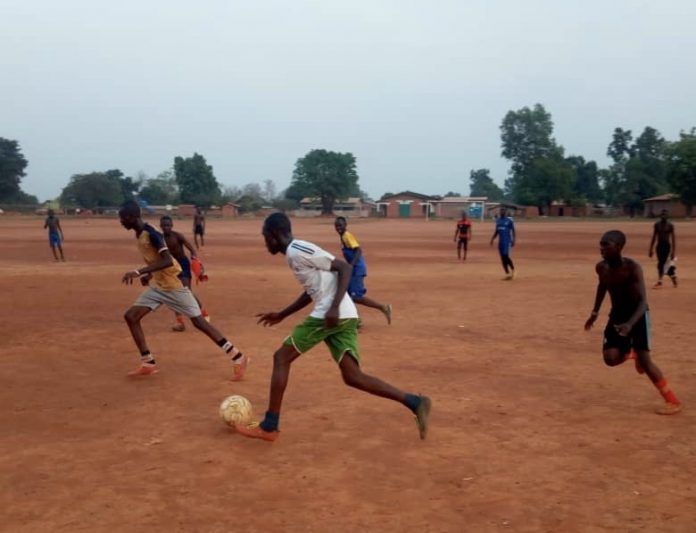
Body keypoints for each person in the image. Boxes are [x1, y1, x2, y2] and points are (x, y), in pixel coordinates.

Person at [234, 212, 431, 442]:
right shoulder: (294, 255)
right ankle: (415, 402)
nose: (265, 241)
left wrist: (334, 307)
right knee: (353, 376)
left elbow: (344, 268)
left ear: (275, 234)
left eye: (265, 236)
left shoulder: (298, 250)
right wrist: (283, 314)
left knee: (281, 358)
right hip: (342, 314)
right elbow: (312, 291)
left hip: (331, 313)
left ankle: (269, 426)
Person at [118, 201, 247, 379]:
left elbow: (167, 260)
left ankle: (238, 357)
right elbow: (155, 260)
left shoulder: (151, 234)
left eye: (122, 218)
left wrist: (139, 272)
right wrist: (149, 276)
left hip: (173, 285)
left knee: (199, 322)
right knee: (131, 317)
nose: (121, 222)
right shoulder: (140, 233)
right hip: (159, 286)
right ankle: (148, 362)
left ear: (132, 217)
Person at [584, 230, 681, 415]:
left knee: (646, 362)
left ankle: (673, 401)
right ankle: (630, 353)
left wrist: (630, 324)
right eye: (601, 244)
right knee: (610, 359)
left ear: (619, 247)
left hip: (638, 315)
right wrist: (595, 312)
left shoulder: (632, 268)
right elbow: (602, 286)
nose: (601, 248)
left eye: (606, 244)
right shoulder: (601, 267)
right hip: (617, 316)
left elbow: (643, 302)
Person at [334, 216, 391, 324]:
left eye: (340, 225)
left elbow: (358, 250)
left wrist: (351, 265)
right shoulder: (342, 237)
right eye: (336, 226)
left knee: (356, 297)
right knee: (346, 294)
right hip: (353, 268)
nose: (338, 228)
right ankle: (356, 320)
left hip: (357, 269)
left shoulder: (347, 236)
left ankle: (383, 307)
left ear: (345, 225)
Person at [160, 215, 210, 331]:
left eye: (168, 225)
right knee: (174, 293)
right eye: (164, 226)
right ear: (161, 226)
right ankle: (180, 322)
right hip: (170, 266)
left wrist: (195, 259)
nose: (166, 227)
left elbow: (191, 249)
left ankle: (203, 312)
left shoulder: (177, 236)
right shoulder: (160, 239)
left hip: (183, 264)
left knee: (187, 292)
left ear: (171, 225)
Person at [648, 209, 677, 288]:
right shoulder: (657, 225)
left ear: (667, 216)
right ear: (660, 216)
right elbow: (654, 237)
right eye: (662, 214)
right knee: (661, 263)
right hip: (659, 246)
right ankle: (672, 276)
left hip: (667, 246)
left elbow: (673, 239)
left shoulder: (670, 225)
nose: (664, 216)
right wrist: (650, 249)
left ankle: (661, 280)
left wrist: (673, 252)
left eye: (665, 214)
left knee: (662, 263)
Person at [490, 207, 516, 279]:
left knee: (505, 256)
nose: (502, 212)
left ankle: (513, 269)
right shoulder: (498, 221)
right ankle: (507, 273)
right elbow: (497, 231)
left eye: (503, 211)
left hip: (507, 241)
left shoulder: (509, 221)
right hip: (500, 242)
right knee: (502, 258)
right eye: (501, 211)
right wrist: (492, 238)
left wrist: (514, 240)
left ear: (505, 212)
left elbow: (513, 231)